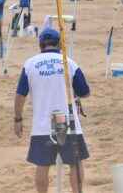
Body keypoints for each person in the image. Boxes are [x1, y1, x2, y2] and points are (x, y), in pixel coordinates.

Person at [14, 28, 90, 193]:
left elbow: (20, 95)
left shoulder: (30, 64)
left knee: (42, 165)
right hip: (66, 119)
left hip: (43, 123)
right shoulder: (68, 62)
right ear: (60, 43)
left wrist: (18, 119)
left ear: (41, 44)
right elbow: (85, 92)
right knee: (75, 162)